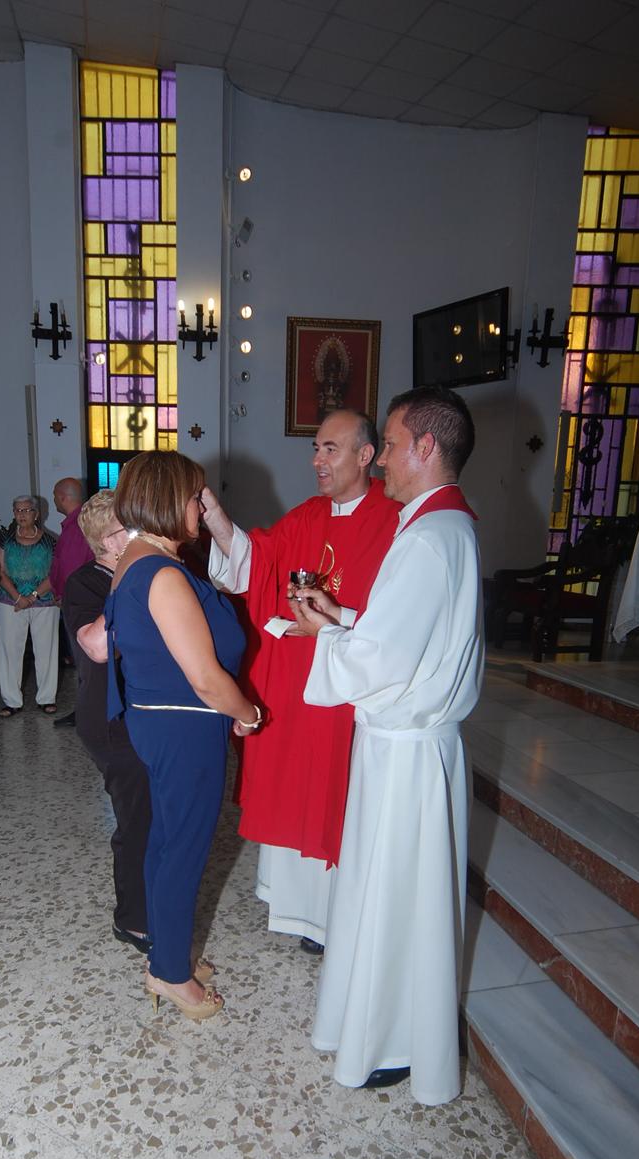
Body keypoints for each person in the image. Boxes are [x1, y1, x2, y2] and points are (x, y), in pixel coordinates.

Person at [289, 385, 483, 1106]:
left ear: (426, 448)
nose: (386, 463)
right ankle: (376, 1024)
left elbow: (380, 660)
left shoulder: (433, 536)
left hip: (406, 753)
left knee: (397, 899)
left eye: (393, 447)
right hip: (401, 746)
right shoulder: (438, 526)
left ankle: (393, 1038)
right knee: (386, 892)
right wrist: (344, 616)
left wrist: (326, 634)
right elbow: (402, 632)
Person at [201, 410, 399, 954]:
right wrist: (215, 515)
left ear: (365, 455)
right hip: (297, 683)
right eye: (315, 448)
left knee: (335, 795)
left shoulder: (396, 521)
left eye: (330, 449)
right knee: (294, 785)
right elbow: (255, 565)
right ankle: (293, 906)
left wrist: (339, 621)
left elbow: (400, 618)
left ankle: (335, 916)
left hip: (349, 690)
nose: (316, 460)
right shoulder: (309, 514)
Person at [83, 452, 261, 1023]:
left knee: (165, 842)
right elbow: (208, 679)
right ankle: (170, 975)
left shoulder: (135, 557)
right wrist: (248, 712)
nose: (200, 508)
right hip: (184, 725)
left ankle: (165, 950)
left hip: (158, 719)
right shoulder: (162, 573)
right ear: (166, 499)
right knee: (183, 848)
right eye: (194, 497)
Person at [61, 491, 153, 955]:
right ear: (108, 540)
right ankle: (132, 920)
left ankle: (156, 903)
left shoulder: (147, 576)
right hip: (110, 720)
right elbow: (99, 645)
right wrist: (125, 577)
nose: (144, 535)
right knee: (136, 821)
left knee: (155, 817)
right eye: (133, 530)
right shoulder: (86, 584)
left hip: (145, 716)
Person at [0, 495, 59, 716]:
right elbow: (0, 572)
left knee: (47, 650)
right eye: (18, 510)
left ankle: (46, 698)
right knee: (10, 650)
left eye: (26, 510)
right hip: (10, 602)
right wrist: (17, 597)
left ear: (36, 514)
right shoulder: (5, 540)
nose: (22, 515)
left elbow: (54, 574)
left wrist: (31, 597)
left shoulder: (50, 542)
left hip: (44, 602)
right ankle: (11, 701)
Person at [50, 477, 93, 728]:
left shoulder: (78, 525)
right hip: (74, 601)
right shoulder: (74, 524)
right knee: (81, 662)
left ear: (63, 497)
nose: (54, 499)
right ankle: (85, 710)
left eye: (55, 495)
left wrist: (62, 593)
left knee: (84, 662)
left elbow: (72, 569)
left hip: (77, 604)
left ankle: (87, 714)